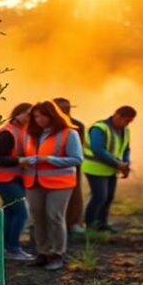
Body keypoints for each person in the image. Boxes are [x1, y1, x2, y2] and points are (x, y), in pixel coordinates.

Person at [22, 100, 83, 271]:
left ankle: (57, 254)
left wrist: (49, 160)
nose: (38, 119)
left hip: (60, 183)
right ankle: (43, 253)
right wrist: (25, 161)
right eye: (35, 116)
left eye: (42, 115)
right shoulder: (30, 134)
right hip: (33, 182)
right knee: (38, 218)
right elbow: (23, 154)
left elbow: (77, 159)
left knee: (54, 216)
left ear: (52, 115)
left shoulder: (69, 133)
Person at [0, 102, 34, 260]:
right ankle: (13, 248)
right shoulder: (6, 133)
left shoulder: (21, 131)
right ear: (17, 113)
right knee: (21, 212)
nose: (30, 118)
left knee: (10, 213)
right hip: (4, 178)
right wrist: (20, 160)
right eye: (27, 114)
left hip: (13, 178)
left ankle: (4, 248)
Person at [82, 106, 136, 232]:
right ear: (117, 115)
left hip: (111, 169)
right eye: (126, 120)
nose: (127, 124)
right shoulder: (99, 128)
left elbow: (126, 148)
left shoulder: (125, 130)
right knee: (99, 196)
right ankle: (90, 224)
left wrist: (126, 163)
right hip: (94, 168)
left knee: (108, 197)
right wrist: (118, 164)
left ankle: (102, 223)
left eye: (129, 121)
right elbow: (98, 150)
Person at [54, 97, 86, 234]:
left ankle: (73, 222)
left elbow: (79, 148)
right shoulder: (44, 125)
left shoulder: (77, 125)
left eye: (67, 109)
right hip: (49, 167)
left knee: (75, 195)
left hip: (71, 165)